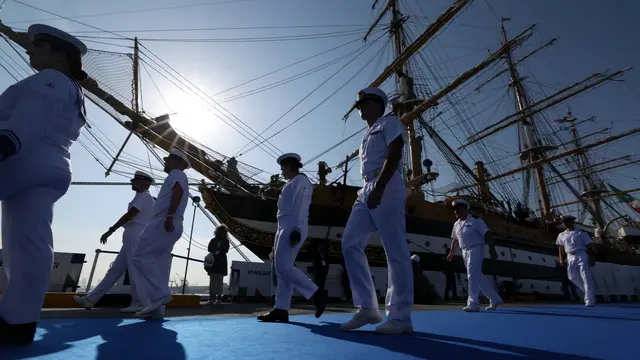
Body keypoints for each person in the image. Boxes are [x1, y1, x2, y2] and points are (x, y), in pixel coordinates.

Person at [0, 23, 88, 345]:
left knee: (24, 244)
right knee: (28, 244)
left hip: (22, 158)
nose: (29, 49)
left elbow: (30, 117)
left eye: (37, 44)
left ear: (59, 53)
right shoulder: (75, 91)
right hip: (53, 167)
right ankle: (18, 320)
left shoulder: (49, 80)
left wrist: (5, 144)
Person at [340, 87, 413, 335]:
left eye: (364, 102)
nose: (359, 107)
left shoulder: (389, 122)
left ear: (378, 104)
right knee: (350, 243)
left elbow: (395, 150)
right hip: (366, 187)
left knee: (394, 248)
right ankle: (368, 308)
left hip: (387, 183)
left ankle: (401, 316)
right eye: (358, 103)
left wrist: (380, 186)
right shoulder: (366, 134)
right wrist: (371, 188)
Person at [73, 171, 155, 313]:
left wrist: (111, 230)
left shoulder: (144, 197)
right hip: (132, 234)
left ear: (145, 182)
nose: (132, 183)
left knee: (134, 270)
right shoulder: (141, 197)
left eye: (135, 181)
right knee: (115, 270)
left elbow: (130, 215)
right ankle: (91, 299)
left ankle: (141, 302)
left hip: (135, 234)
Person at [257, 153, 326, 323]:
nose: (281, 171)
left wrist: (295, 229)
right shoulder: (291, 183)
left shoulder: (301, 182)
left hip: (292, 226)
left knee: (284, 267)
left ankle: (316, 293)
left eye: (282, 168)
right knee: (282, 270)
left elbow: (300, 207)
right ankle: (281, 309)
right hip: (283, 227)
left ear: (289, 166)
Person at [129, 148, 191, 318]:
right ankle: (157, 309)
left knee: (139, 256)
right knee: (160, 263)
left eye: (168, 158)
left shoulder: (176, 174)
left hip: (164, 220)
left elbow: (177, 192)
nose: (165, 161)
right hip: (172, 221)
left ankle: (160, 295)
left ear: (179, 161)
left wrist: (169, 215)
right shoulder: (179, 176)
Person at [447, 199, 503, 312]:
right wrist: (451, 253)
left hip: (476, 248)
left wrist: (492, 249)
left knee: (472, 275)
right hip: (464, 251)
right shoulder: (456, 224)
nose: (456, 211)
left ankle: (473, 303)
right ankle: (495, 298)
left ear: (465, 208)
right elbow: (455, 240)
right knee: (477, 276)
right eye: (455, 209)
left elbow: (487, 234)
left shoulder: (476, 221)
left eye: (459, 208)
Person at [556, 215, 596, 307]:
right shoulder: (561, 235)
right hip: (569, 256)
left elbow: (589, 246)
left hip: (581, 255)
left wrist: (591, 258)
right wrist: (561, 259)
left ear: (572, 222)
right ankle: (588, 293)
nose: (565, 224)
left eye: (567, 222)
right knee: (572, 277)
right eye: (564, 222)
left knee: (586, 276)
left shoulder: (581, 233)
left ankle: (589, 300)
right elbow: (561, 248)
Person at [206, 225, 230, 306]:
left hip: (221, 263)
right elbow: (209, 248)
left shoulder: (226, 241)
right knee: (213, 282)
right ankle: (212, 298)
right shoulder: (213, 240)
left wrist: (219, 250)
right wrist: (215, 251)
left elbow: (226, 249)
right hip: (213, 263)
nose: (223, 233)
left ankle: (218, 299)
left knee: (219, 282)